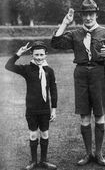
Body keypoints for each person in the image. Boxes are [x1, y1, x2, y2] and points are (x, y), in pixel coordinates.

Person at [51, 0, 105, 166]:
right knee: (84, 116)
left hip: (99, 73)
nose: (88, 18)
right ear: (82, 16)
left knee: (99, 115)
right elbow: (56, 42)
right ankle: (88, 153)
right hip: (81, 74)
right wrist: (65, 23)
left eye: (91, 14)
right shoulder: (75, 34)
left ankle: (99, 153)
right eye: (85, 15)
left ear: (96, 14)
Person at [5, 41, 58, 170]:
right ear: (31, 54)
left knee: (45, 134)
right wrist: (18, 54)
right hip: (31, 109)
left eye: (41, 54)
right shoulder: (27, 69)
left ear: (46, 55)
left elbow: (53, 90)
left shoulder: (49, 71)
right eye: (36, 55)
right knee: (33, 135)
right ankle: (33, 161)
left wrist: (54, 109)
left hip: (45, 109)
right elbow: (8, 66)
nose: (39, 57)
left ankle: (44, 161)